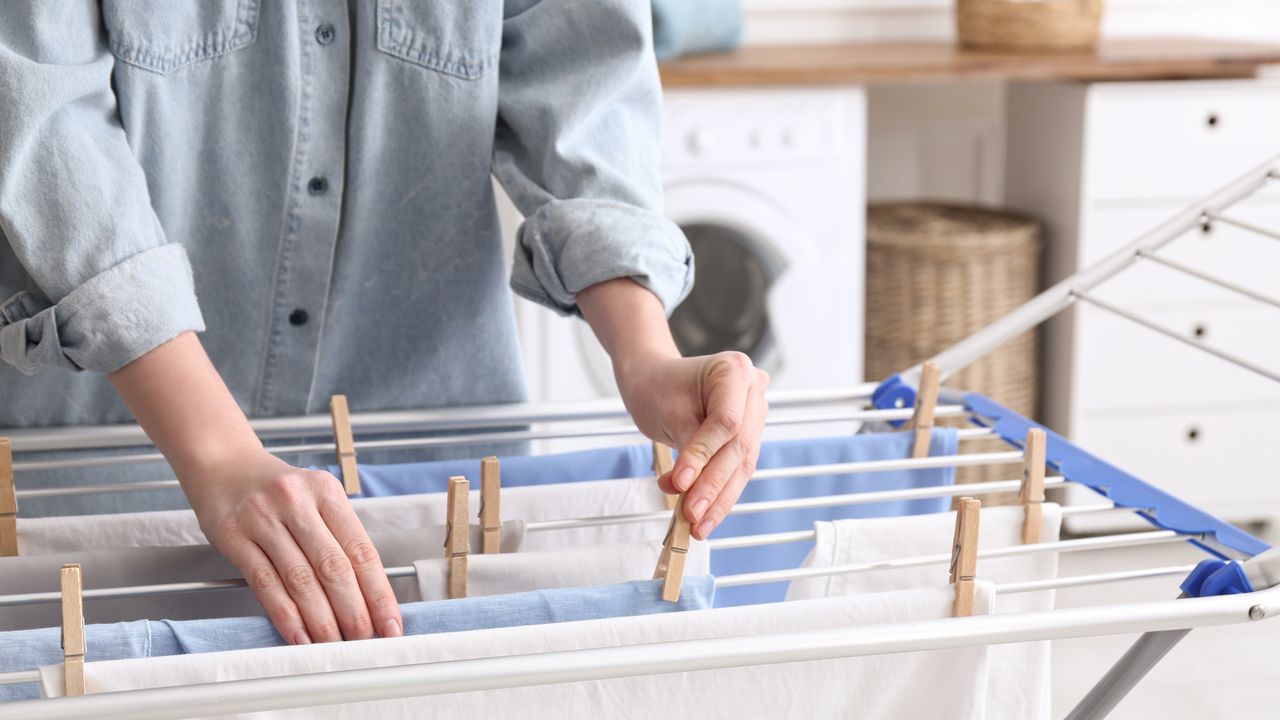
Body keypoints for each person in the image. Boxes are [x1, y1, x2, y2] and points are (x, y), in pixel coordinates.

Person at [0, 2, 768, 646]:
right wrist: (218, 453)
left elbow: (581, 71)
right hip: (107, 478)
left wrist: (645, 353)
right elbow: (42, 119)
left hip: (436, 478)